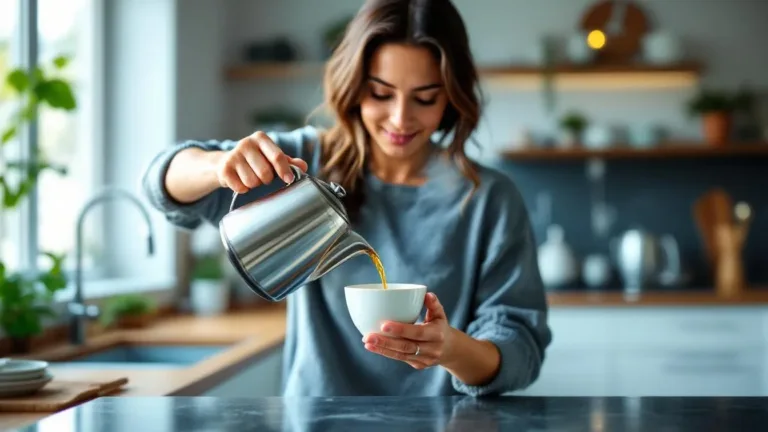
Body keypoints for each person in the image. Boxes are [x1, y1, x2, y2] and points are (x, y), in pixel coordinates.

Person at [142, 0, 552, 397]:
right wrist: (218, 165)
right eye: (381, 93)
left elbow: (520, 349)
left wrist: (450, 348)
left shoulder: (488, 199)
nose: (400, 118)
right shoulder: (303, 164)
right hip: (315, 418)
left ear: (451, 96)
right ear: (354, 86)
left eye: (425, 97)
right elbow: (161, 182)